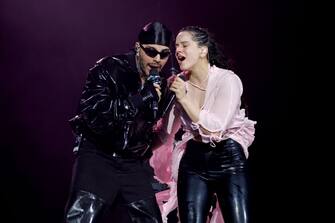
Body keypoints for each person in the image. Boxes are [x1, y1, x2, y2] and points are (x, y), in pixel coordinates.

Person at [64, 21, 173, 223]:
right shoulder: (109, 67)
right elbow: (94, 115)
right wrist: (140, 98)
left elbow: (152, 129)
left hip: (132, 163)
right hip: (99, 155)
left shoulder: (161, 84)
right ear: (138, 48)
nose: (157, 59)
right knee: (81, 219)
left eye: (164, 54)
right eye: (151, 52)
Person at [152, 26, 256, 223]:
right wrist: (134, 149)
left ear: (203, 50)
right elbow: (165, 133)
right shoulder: (178, 83)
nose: (178, 51)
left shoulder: (228, 80)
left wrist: (184, 98)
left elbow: (216, 128)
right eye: (176, 46)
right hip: (194, 161)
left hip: (228, 158)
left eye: (185, 45)